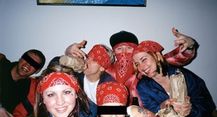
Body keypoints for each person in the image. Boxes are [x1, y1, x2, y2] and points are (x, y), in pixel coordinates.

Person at [65, 28, 198, 105]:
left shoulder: (143, 67)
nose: (123, 52)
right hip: (113, 116)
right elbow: (82, 64)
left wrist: (189, 46)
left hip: (143, 115)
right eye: (118, 49)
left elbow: (172, 59)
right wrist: (69, 51)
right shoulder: (107, 67)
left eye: (128, 48)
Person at [132, 40, 217, 117]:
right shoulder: (143, 86)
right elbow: (150, 112)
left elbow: (208, 105)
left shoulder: (183, 75)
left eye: (144, 59)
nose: (141, 67)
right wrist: (162, 107)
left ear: (157, 56)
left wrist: (190, 110)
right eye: (137, 64)